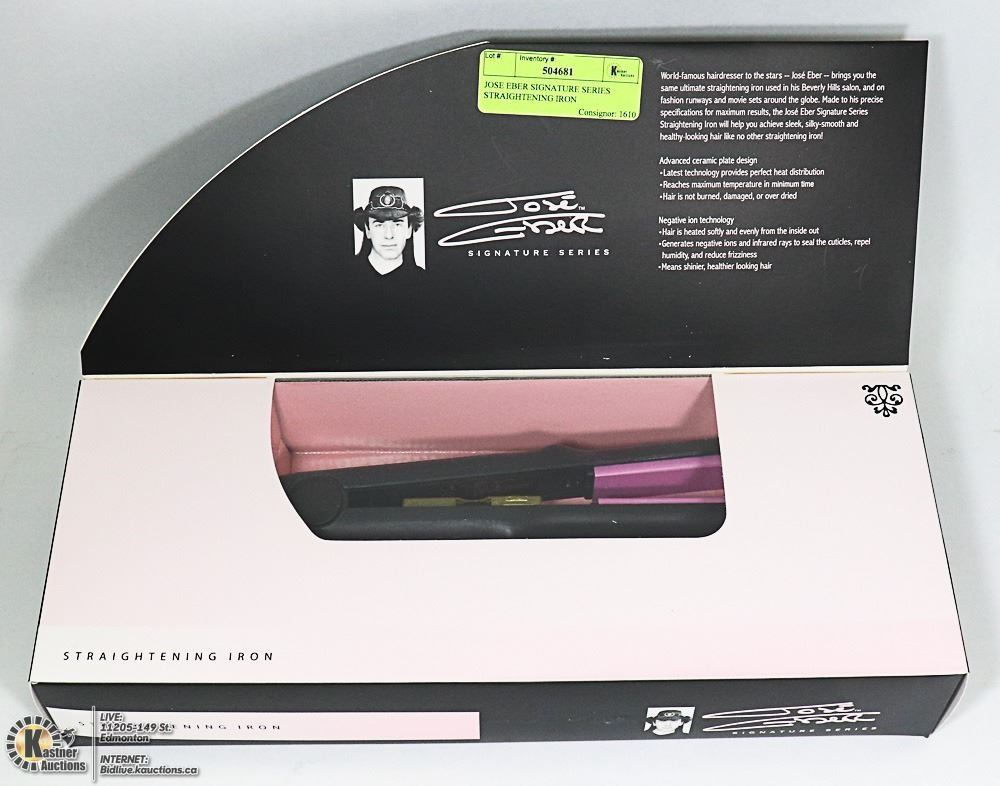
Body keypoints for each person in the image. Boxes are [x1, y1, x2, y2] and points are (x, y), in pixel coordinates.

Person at [353, 185, 424, 276]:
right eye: (379, 225)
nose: (389, 235)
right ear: (367, 230)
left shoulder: (424, 279)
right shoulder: (346, 276)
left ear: (409, 230)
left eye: (397, 225)